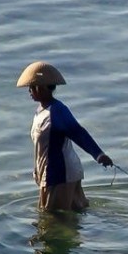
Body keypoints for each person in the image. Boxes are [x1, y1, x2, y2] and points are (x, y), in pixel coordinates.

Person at [16, 61, 113, 212]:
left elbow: (78, 132)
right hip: (55, 173)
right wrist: (36, 170)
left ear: (41, 88)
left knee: (55, 218)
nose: (29, 91)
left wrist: (98, 154)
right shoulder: (41, 111)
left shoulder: (56, 111)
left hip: (60, 174)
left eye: (32, 87)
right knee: (73, 213)